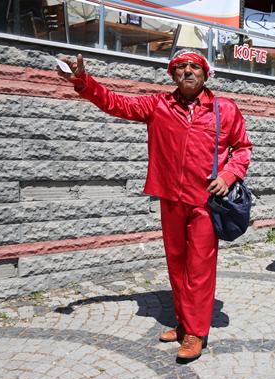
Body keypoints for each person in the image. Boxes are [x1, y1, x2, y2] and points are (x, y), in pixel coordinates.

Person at [57, 50, 252, 361]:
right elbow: (115, 103)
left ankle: (196, 333)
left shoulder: (223, 109)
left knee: (200, 267)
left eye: (194, 67)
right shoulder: (158, 105)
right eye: (180, 67)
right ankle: (183, 321)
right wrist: (83, 80)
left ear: (205, 74)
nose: (187, 72)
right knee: (176, 264)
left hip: (205, 202)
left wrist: (228, 175)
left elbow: (242, 148)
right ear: (172, 74)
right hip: (171, 198)